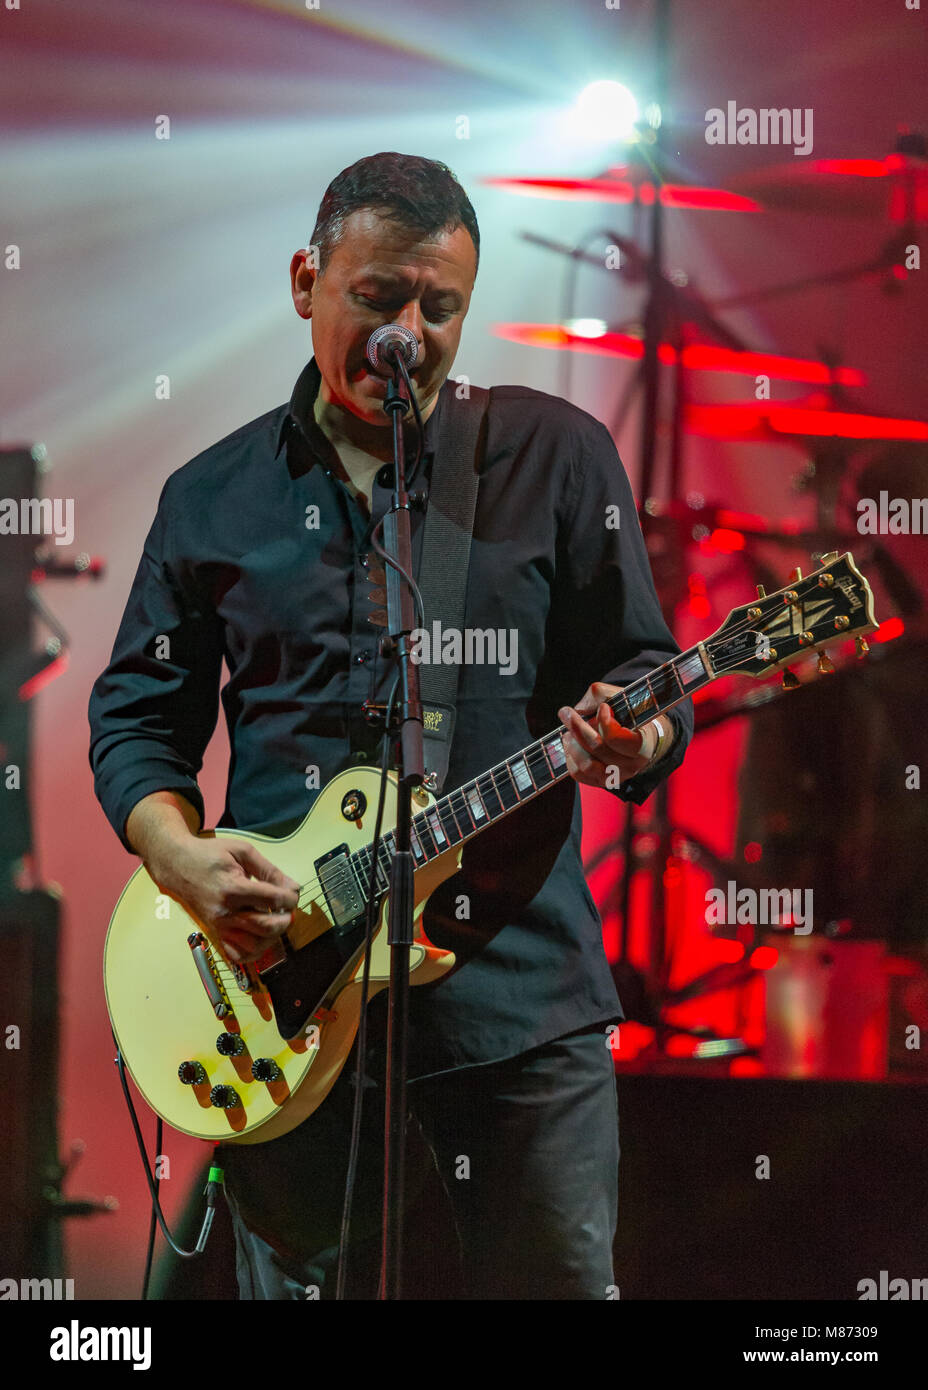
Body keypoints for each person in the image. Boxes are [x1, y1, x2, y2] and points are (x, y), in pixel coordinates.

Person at [88, 151, 693, 1300]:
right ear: (305, 280)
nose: (406, 334)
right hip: (284, 992)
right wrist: (179, 860)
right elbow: (136, 718)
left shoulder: (554, 457)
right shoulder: (210, 496)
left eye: (440, 306)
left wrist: (640, 734)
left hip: (517, 1002)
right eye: (376, 299)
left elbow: (646, 667)